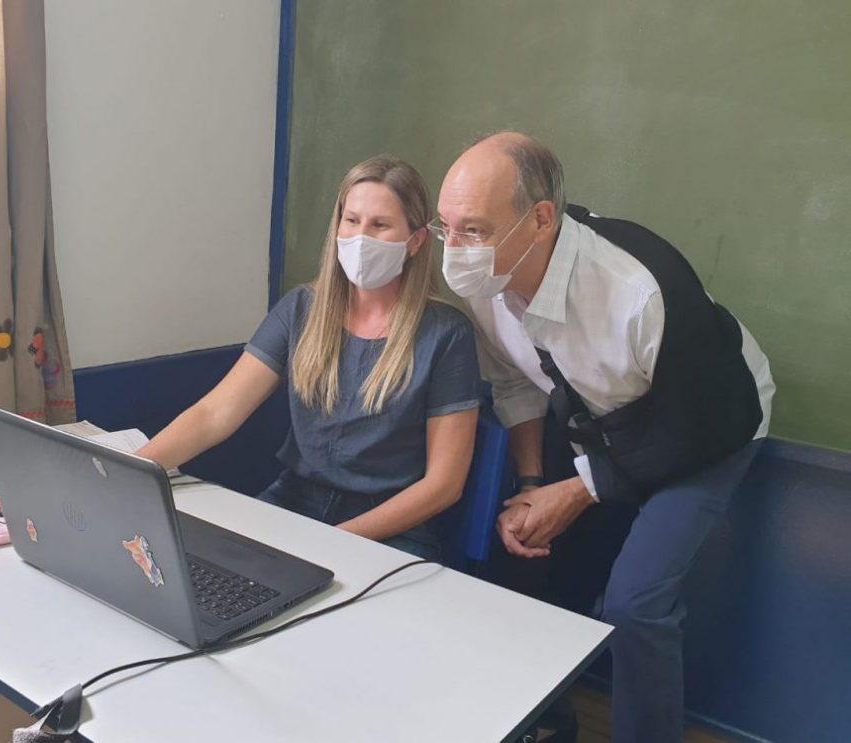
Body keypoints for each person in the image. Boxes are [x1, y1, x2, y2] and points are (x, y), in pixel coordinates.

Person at [433, 132, 775, 742]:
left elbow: (701, 424)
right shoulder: (486, 284)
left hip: (708, 422)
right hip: (595, 416)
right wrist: (533, 484)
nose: (455, 250)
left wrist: (579, 490)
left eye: (475, 231)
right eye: (446, 228)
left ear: (541, 219)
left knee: (635, 604)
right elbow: (515, 382)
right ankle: (540, 722)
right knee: (525, 554)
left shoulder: (638, 292)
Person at [139, 156, 481, 560]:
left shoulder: (447, 333)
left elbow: (443, 485)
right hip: (294, 500)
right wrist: (132, 471)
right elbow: (216, 413)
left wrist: (332, 541)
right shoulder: (301, 308)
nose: (361, 237)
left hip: (389, 523)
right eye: (351, 220)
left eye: (380, 225)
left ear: (416, 241)